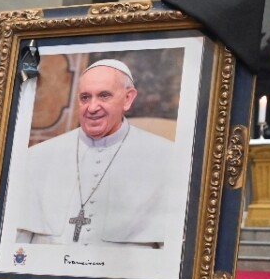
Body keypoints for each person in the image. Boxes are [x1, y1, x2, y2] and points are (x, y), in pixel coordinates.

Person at [13, 59, 172, 248]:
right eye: (85, 97)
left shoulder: (167, 158)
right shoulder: (37, 157)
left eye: (104, 96)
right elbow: (15, 246)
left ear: (128, 98)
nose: (92, 107)